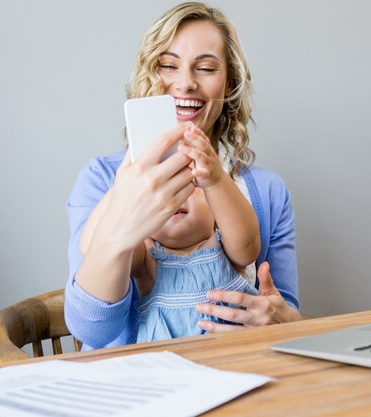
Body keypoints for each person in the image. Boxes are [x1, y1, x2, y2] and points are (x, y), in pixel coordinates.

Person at [65, 2, 302, 350]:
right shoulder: (103, 178)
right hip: (137, 389)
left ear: (229, 82)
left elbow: (288, 314)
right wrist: (127, 183)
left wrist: (277, 320)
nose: (186, 83)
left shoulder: (266, 192)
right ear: (149, 73)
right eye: (168, 65)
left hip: (236, 376)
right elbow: (91, 331)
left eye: (206, 68)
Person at [79, 122, 261, 343]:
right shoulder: (147, 256)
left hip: (235, 364)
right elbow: (92, 247)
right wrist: (122, 188)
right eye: (164, 192)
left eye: (191, 183)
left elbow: (248, 246)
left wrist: (216, 179)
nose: (178, 196)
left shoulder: (226, 248)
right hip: (166, 369)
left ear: (216, 211)